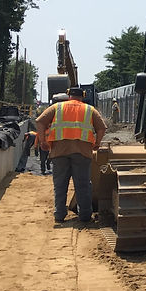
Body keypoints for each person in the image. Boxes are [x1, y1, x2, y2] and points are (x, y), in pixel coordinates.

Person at [35, 87, 107, 225]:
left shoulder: (57, 107)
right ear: (83, 96)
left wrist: (43, 142)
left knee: (60, 184)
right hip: (82, 152)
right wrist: (97, 143)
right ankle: (85, 216)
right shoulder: (89, 110)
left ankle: (59, 215)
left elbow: (40, 121)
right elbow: (101, 128)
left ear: (68, 95)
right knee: (83, 185)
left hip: (59, 152)